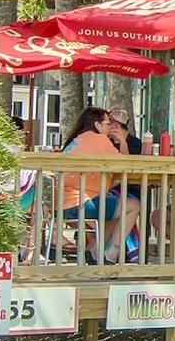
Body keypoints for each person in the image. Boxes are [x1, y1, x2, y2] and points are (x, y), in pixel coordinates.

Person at [58, 107, 140, 264]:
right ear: (97, 125)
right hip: (80, 203)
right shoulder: (99, 139)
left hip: (61, 204)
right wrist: (122, 140)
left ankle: (95, 252)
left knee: (113, 209)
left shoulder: (77, 140)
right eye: (108, 124)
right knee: (133, 205)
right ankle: (110, 255)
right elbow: (125, 166)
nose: (110, 127)